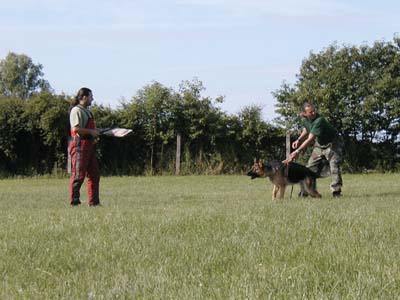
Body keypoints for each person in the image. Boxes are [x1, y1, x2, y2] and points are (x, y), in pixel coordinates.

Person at [286, 102, 344, 197]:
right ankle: (306, 191)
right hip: (319, 146)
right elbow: (306, 129)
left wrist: (297, 151)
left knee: (334, 167)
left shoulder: (319, 120)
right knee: (309, 169)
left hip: (333, 144)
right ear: (304, 114)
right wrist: (299, 139)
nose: (314, 113)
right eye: (310, 112)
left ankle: (336, 192)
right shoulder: (304, 120)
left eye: (314, 110)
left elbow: (310, 139)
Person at [68, 87, 101, 206]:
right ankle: (74, 201)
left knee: (94, 174)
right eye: (91, 97)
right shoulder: (76, 110)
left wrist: (97, 131)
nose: (92, 99)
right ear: (84, 97)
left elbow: (89, 128)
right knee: (78, 175)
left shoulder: (87, 111)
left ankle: (94, 202)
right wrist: (91, 132)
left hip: (89, 145)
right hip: (79, 145)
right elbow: (76, 129)